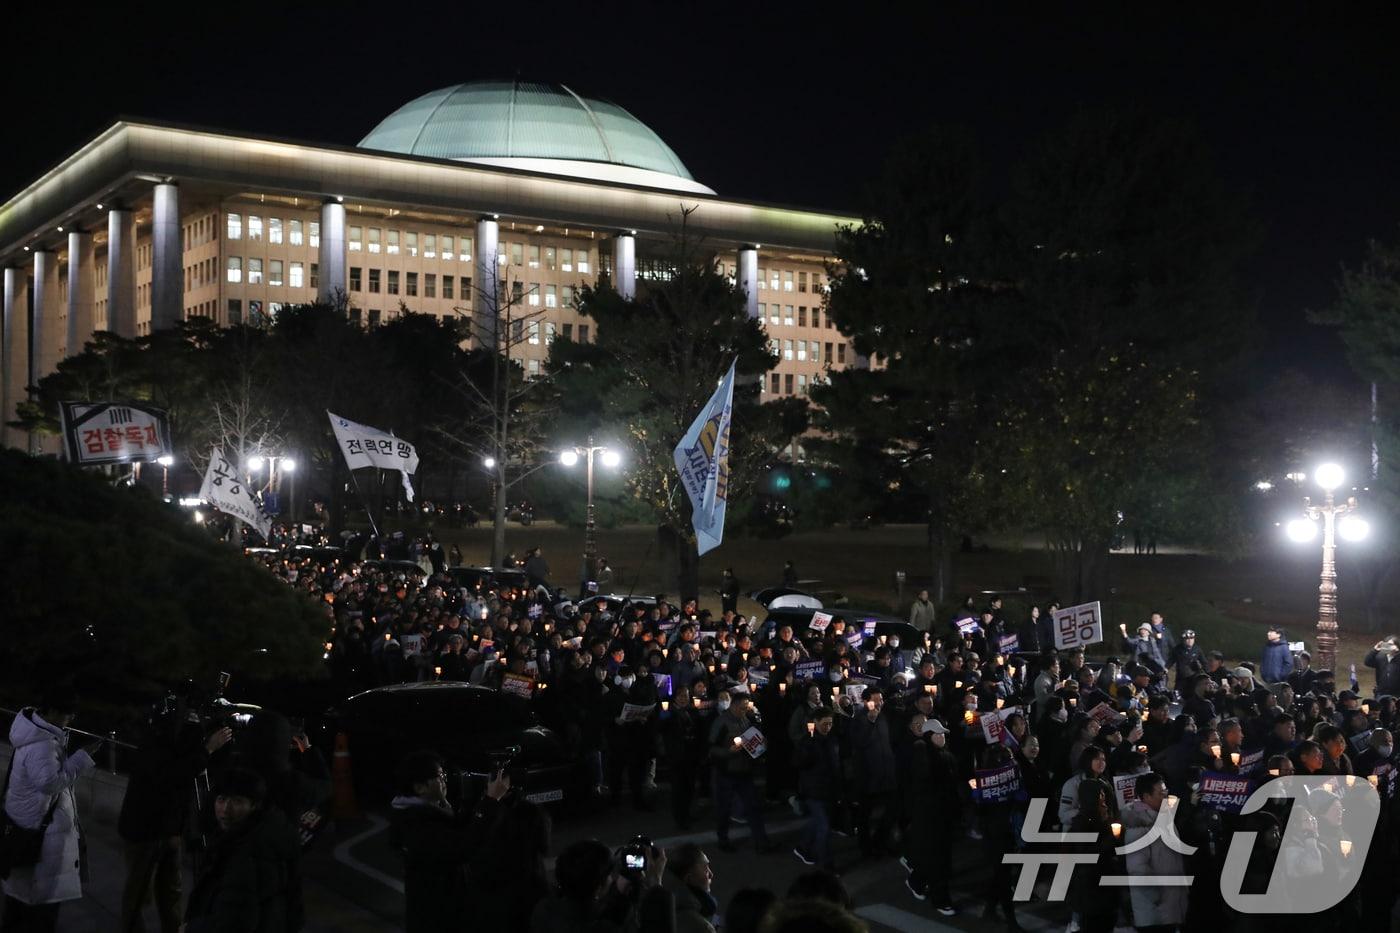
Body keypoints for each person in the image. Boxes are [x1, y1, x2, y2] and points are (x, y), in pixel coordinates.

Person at [119, 693, 234, 933]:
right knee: (139, 896)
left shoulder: (176, 742)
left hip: (169, 830)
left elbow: (190, 768)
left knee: (171, 893)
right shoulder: (154, 742)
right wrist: (207, 749)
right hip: (145, 831)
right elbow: (171, 775)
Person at [1, 687, 99, 933]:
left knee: (18, 906)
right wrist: (82, 758)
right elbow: (49, 783)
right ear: (53, 711)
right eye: (69, 714)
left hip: (27, 830)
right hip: (39, 838)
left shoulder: (35, 734)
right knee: (39, 914)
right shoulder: (42, 744)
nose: (72, 719)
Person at [390, 751, 509, 932]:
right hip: (439, 918)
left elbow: (460, 830)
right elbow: (463, 847)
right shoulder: (416, 823)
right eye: (439, 776)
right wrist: (491, 802)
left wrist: (480, 800)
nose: (445, 780)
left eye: (444, 774)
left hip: (442, 911)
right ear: (420, 787)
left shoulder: (422, 811)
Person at [182, 768, 303, 933]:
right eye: (221, 799)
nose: (226, 809)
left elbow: (234, 922)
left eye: (237, 801)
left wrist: (191, 929)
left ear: (254, 805)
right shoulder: (269, 830)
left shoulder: (248, 852)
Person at [529, 838, 673, 933]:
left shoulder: (543, 910)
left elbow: (592, 918)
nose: (611, 879)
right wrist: (656, 884)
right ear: (599, 888)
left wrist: (620, 896)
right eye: (609, 876)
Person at [1121, 772, 1187, 932]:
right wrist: (1157, 897)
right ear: (1146, 796)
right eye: (1160, 793)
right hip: (1154, 913)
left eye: (1166, 791)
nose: (1166, 796)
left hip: (1169, 906)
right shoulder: (1139, 826)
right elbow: (1138, 868)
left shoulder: (1163, 818)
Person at [708, 694, 772, 853]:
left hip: (744, 771)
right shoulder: (721, 722)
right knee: (724, 809)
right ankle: (723, 840)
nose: (745, 710)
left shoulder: (745, 719)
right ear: (734, 706)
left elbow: (751, 740)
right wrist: (728, 752)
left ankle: (761, 842)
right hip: (726, 772)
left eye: (747, 707)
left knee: (753, 807)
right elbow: (711, 749)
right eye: (743, 707)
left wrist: (760, 745)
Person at [793, 708, 842, 870]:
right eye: (824, 724)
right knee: (824, 828)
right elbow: (800, 763)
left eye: (830, 723)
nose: (828, 727)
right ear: (815, 722)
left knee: (818, 821)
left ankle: (803, 847)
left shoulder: (831, 739)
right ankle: (826, 864)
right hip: (813, 791)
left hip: (829, 789)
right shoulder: (806, 741)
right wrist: (811, 742)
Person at [663, 843, 717, 933]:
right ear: (689, 878)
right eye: (706, 869)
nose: (711, 874)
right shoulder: (702, 928)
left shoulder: (658, 903)